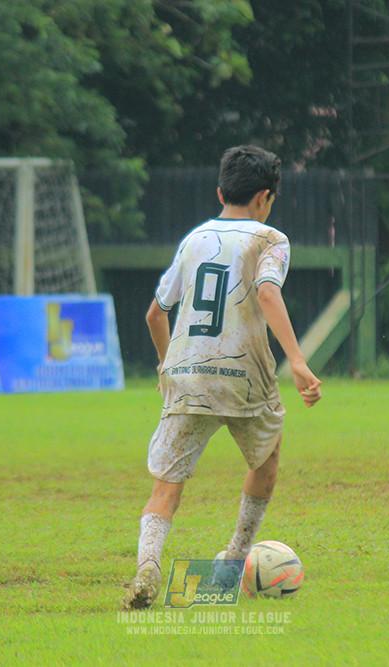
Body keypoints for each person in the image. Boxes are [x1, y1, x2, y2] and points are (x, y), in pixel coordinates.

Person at [121, 145, 323, 610]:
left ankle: (147, 568)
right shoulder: (270, 239)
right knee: (266, 460)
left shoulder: (193, 240)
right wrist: (295, 359)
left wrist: (163, 362)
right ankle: (233, 561)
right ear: (265, 198)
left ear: (220, 191)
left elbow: (156, 313)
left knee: (166, 487)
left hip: (187, 374)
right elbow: (268, 293)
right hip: (244, 376)